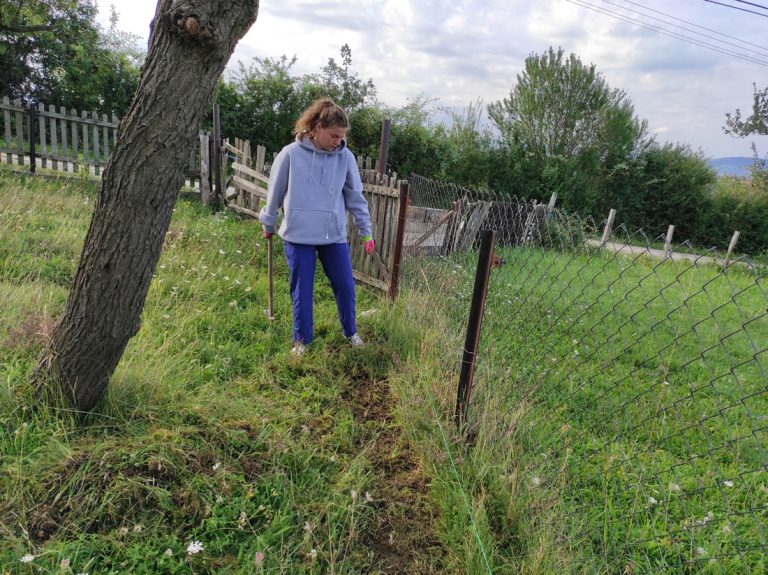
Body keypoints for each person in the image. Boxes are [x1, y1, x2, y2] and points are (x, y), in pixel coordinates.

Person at [259, 98, 375, 356]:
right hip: (298, 235)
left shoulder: (345, 157)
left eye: (342, 136)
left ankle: (350, 331)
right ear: (318, 127)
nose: (339, 141)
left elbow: (355, 197)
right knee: (302, 288)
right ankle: (302, 340)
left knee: (345, 285)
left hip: (333, 235)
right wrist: (268, 222)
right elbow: (275, 193)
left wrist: (365, 230)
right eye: (334, 135)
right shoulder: (290, 154)